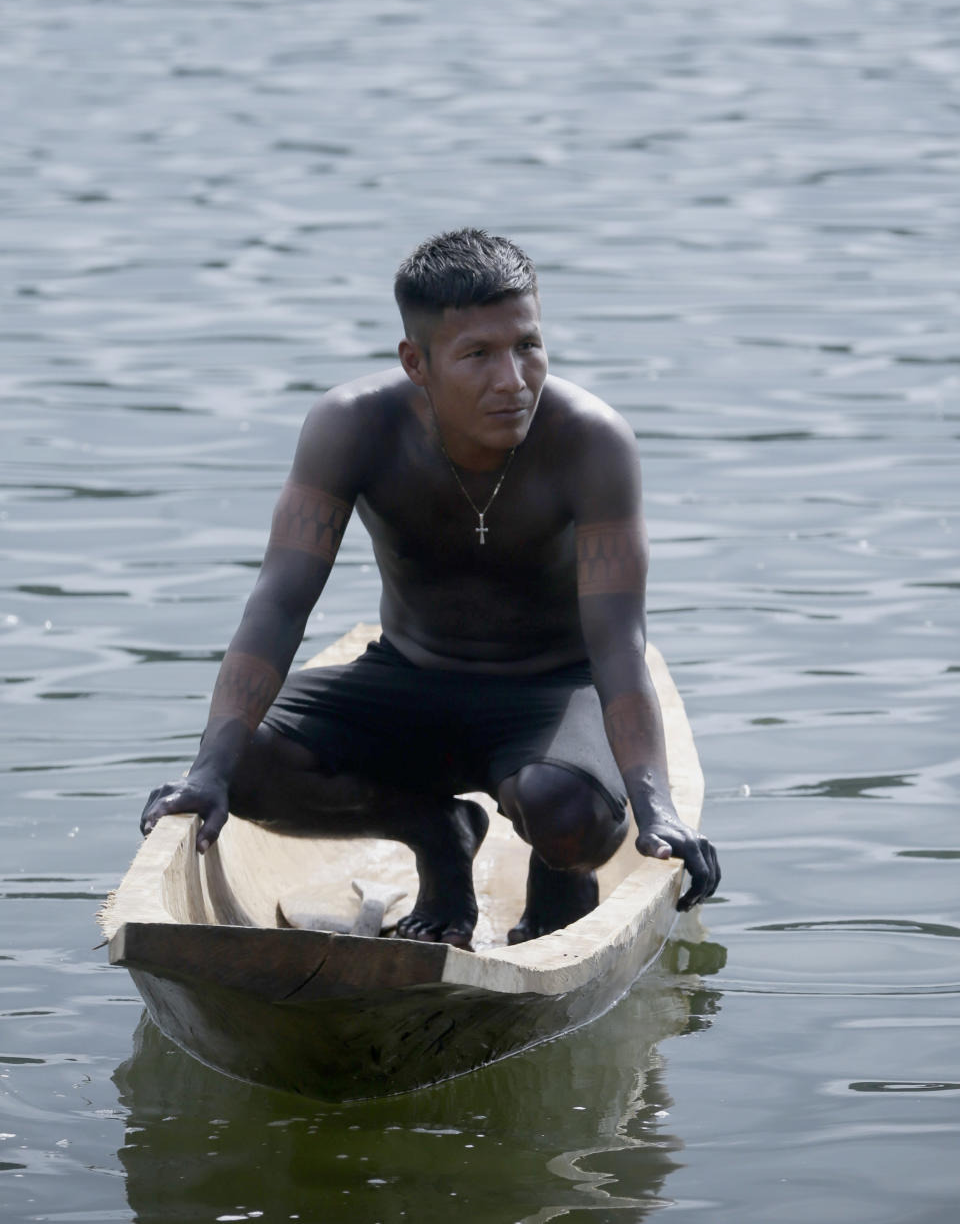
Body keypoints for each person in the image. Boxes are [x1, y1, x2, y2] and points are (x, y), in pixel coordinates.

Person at [141, 228, 720, 948]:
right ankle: (439, 833)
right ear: (416, 362)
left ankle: (557, 869)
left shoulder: (592, 441)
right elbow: (279, 603)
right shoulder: (352, 426)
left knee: (566, 810)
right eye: (477, 354)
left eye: (527, 345)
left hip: (550, 688)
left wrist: (656, 806)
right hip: (409, 676)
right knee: (244, 760)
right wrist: (209, 769)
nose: (512, 379)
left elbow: (620, 645)